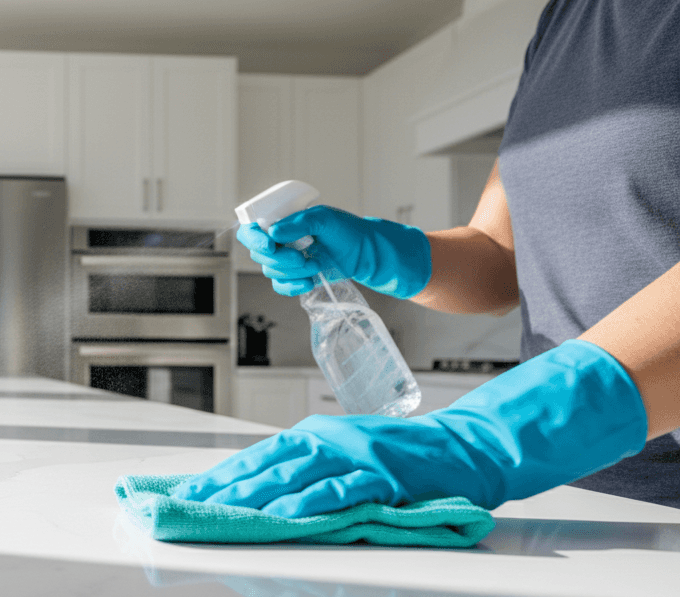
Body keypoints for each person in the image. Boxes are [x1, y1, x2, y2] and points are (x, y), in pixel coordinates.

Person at [175, 0, 680, 516]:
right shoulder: (565, 21)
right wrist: (381, 251)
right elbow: (503, 259)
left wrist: (484, 439)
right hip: (572, 493)